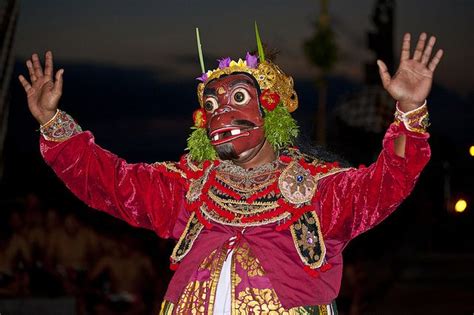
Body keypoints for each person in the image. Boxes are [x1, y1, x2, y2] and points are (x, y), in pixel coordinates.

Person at [19, 28, 443, 314]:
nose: (221, 111)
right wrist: (53, 123)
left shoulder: (316, 189)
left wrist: (409, 109)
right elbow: (110, 182)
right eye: (210, 105)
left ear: (269, 108)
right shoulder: (187, 187)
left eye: (237, 97)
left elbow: (389, 181)